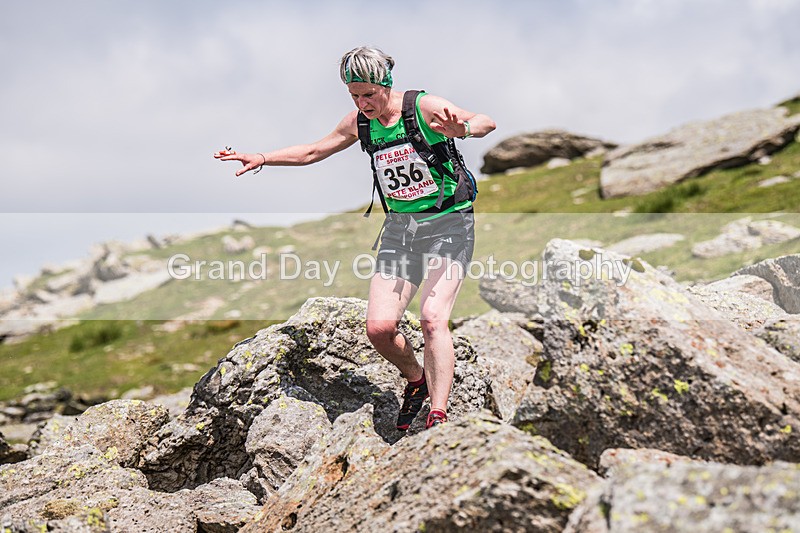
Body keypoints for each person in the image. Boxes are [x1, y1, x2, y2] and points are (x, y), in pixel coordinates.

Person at [215, 46, 495, 430]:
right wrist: (262, 157)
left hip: (449, 224)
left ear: (386, 84)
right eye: (354, 95)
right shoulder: (359, 123)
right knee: (379, 329)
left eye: (368, 94)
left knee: (432, 318)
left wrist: (462, 129)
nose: (362, 103)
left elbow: (486, 121)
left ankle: (438, 414)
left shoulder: (423, 108)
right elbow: (313, 150)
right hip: (402, 230)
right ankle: (417, 380)